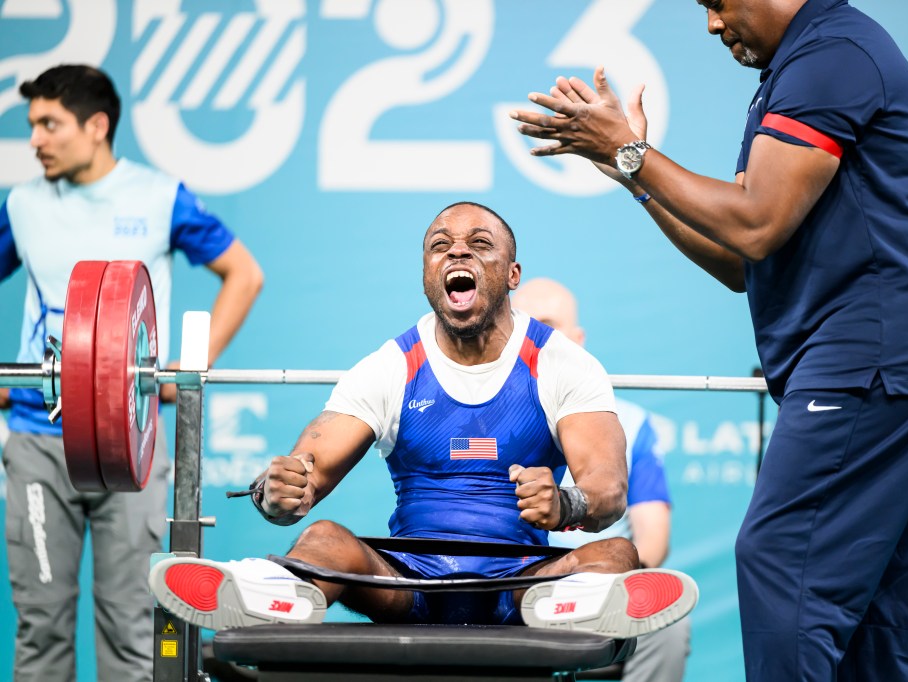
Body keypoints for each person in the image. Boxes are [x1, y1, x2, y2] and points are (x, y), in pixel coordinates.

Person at [509, 1, 908, 680]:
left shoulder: (832, 56)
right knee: (867, 606)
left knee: (780, 559)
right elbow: (741, 260)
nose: (711, 23)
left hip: (876, 346)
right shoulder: (793, 69)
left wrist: (633, 153)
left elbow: (756, 224)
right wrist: (633, 175)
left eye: (718, 1)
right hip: (894, 350)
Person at [148, 201, 697, 640]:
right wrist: (280, 494)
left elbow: (609, 491)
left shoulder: (561, 363)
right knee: (324, 537)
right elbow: (302, 477)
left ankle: (572, 603)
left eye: (479, 244)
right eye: (441, 246)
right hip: (408, 583)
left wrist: (567, 503)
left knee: (618, 553)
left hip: (522, 586)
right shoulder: (391, 366)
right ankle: (270, 592)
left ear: (511, 274)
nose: (457, 250)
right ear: (428, 275)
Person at [0, 64, 264, 682]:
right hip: (40, 440)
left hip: (131, 444)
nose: (34, 139)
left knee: (132, 634)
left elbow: (244, 274)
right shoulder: (23, 205)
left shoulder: (158, 196)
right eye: (31, 124)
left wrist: (183, 370)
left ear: (96, 126)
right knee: (40, 632)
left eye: (48, 124)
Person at [512, 277, 691, 682]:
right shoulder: (485, 415)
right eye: (526, 326)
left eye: (550, 326)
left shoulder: (632, 423)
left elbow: (653, 539)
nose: (540, 339)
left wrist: (597, 581)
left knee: (667, 625)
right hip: (513, 583)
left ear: (578, 339)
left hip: (601, 586)